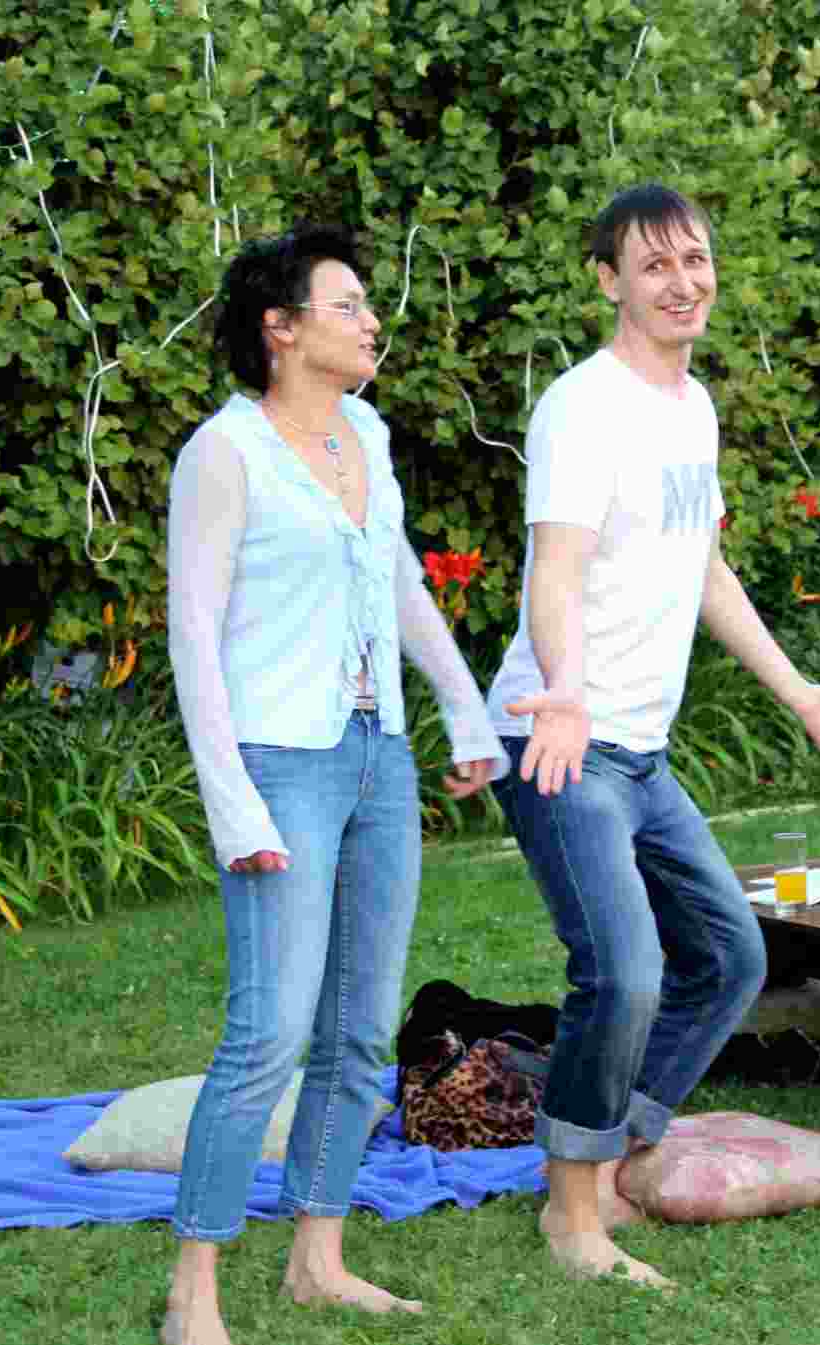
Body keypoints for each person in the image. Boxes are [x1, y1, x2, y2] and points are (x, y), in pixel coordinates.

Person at [486, 183, 820, 1289]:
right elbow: (554, 570)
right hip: (559, 739)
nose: (681, 281)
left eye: (694, 259)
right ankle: (574, 1214)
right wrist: (566, 691)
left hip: (637, 753)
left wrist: (797, 693)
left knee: (731, 955)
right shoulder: (582, 407)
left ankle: (608, 1152)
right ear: (608, 280)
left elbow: (703, 568)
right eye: (653, 264)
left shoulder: (691, 407)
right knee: (622, 971)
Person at [164, 221, 505, 1345]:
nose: (370, 320)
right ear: (281, 327)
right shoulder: (226, 453)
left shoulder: (366, 432)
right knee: (268, 1033)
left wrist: (461, 704)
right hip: (278, 765)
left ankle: (318, 1257)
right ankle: (193, 1293)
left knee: (361, 1034)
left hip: (375, 757)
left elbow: (396, 576)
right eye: (346, 303)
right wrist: (233, 803)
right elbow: (193, 635)